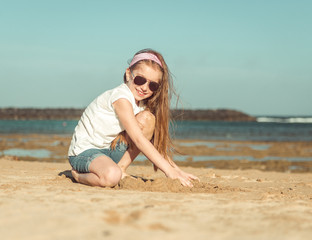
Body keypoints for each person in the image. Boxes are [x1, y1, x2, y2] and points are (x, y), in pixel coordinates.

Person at [68, 49, 199, 188]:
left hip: (110, 151)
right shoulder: (121, 98)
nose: (144, 88)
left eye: (152, 85)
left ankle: (121, 168)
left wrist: (176, 171)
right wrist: (168, 171)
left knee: (147, 119)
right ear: (128, 74)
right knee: (111, 177)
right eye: (140, 80)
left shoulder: (141, 105)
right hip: (85, 152)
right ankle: (78, 175)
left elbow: (154, 145)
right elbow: (138, 139)